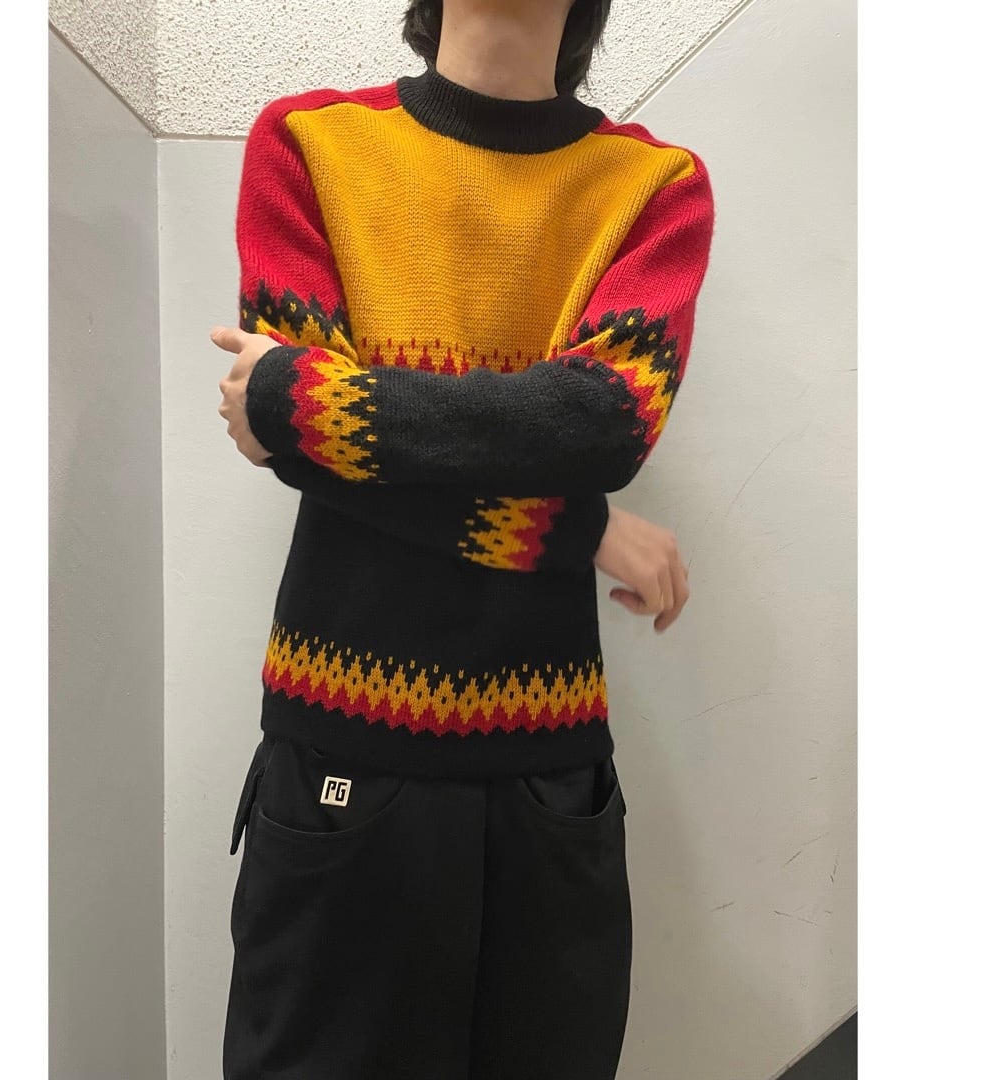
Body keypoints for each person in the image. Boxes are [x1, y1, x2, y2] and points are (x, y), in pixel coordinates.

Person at [210, 1, 715, 1076]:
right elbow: (302, 447)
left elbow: (602, 424)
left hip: (547, 778)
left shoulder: (654, 186)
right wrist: (575, 528)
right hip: (339, 761)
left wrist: (305, 401)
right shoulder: (307, 144)